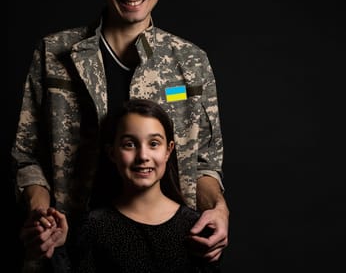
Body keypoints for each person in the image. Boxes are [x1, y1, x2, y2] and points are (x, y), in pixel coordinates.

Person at [13, 0, 229, 271]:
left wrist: (218, 208)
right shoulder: (54, 54)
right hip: (71, 249)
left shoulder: (190, 63)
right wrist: (43, 217)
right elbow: (27, 158)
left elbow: (205, 161)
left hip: (165, 251)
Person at [24, 98, 221, 272]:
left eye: (154, 144)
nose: (143, 156)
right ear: (112, 153)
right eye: (129, 144)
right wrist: (59, 249)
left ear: (168, 150)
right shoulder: (93, 227)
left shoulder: (195, 227)